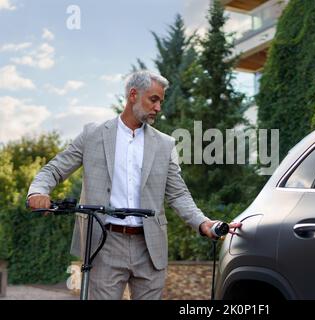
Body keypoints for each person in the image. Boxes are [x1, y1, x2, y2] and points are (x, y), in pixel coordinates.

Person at [27, 70, 241, 300]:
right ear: (133, 95)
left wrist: (203, 223)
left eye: (160, 101)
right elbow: (55, 168)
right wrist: (39, 191)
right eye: (153, 99)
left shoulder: (164, 144)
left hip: (149, 246)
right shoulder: (93, 135)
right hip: (105, 243)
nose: (158, 107)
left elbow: (178, 194)